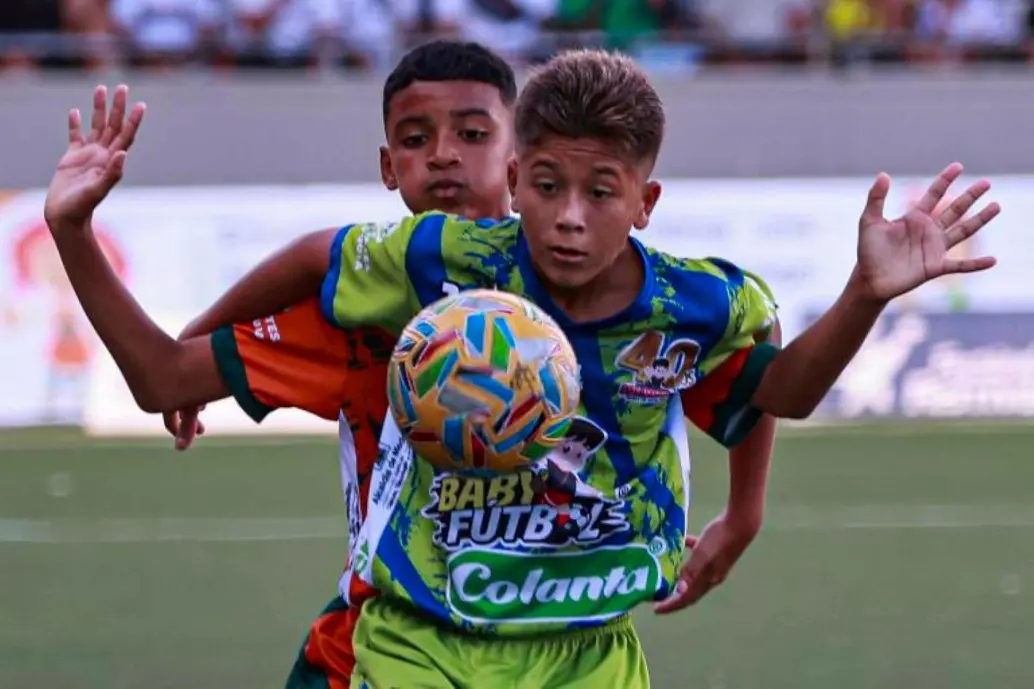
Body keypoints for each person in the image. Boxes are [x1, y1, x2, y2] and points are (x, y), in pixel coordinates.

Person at [43, 48, 998, 687]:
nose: (571, 216)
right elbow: (289, 272)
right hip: (418, 633)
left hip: (590, 640)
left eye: (598, 192)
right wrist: (75, 229)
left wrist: (864, 299)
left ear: (645, 199)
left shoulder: (690, 305)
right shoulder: (426, 272)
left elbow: (769, 389)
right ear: (520, 181)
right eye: (549, 188)